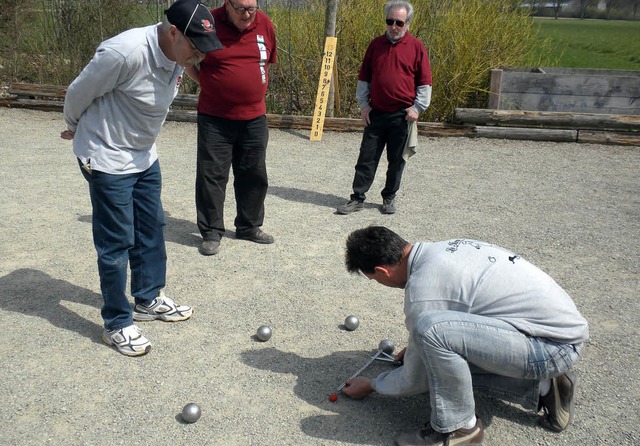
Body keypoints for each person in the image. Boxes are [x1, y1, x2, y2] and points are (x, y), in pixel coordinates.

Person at [61, 0, 223, 356]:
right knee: (116, 241)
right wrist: (74, 127)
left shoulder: (179, 55)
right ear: (173, 32)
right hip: (105, 156)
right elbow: (78, 92)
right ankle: (117, 322)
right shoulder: (125, 52)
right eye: (195, 47)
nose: (198, 56)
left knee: (151, 227)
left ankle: (148, 298)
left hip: (143, 157)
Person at [342, 226, 589, 445]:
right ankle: (545, 386)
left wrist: (374, 384)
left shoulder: (422, 289)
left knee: (431, 334)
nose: (378, 282)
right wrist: (420, 348)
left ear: (382, 271)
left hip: (548, 348)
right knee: (435, 345)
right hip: (556, 332)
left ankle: (460, 428)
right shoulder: (442, 250)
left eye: (374, 279)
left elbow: (415, 378)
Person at [186, 0, 277, 256]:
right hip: (215, 117)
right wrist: (210, 82)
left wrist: (250, 87)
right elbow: (187, 60)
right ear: (227, 4)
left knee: (254, 174)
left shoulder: (265, 24)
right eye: (241, 9)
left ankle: (249, 226)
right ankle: (211, 231)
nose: (247, 14)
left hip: (254, 117)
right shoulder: (208, 23)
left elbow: (266, 62)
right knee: (211, 176)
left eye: (252, 8)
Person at [337, 0, 432, 216]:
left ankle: (389, 197)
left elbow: (425, 81)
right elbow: (364, 78)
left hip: (402, 116)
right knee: (366, 158)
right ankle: (357, 198)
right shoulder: (375, 45)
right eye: (390, 21)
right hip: (376, 113)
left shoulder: (417, 47)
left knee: (396, 161)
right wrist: (364, 105)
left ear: (408, 23)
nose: (394, 26)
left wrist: (417, 108)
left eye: (399, 22)